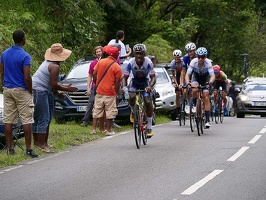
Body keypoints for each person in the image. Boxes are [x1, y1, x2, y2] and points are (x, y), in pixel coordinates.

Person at [32, 43, 78, 153]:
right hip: (39, 90)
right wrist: (67, 89)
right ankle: (41, 144)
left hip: (43, 89)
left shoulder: (48, 63)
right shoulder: (55, 66)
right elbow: (53, 84)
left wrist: (59, 91)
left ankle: (41, 143)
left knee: (43, 116)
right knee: (44, 117)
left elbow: (52, 84)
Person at [0, 30, 38, 157]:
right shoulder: (25, 56)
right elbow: (27, 77)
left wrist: (4, 84)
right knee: (27, 119)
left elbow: (2, 72)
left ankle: (10, 148)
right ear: (23, 39)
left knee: (8, 119)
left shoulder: (4, 54)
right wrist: (30, 91)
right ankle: (28, 149)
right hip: (21, 90)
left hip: (7, 89)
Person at [122, 44, 156, 138]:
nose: (138, 56)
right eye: (136, 54)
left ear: (144, 54)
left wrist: (149, 86)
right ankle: (133, 111)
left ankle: (149, 126)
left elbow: (153, 78)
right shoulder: (131, 62)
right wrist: (124, 87)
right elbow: (125, 77)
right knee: (131, 96)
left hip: (145, 82)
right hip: (135, 82)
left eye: (140, 54)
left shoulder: (148, 62)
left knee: (147, 101)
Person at [91, 45, 122, 136]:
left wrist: (96, 83)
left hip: (100, 91)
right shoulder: (117, 67)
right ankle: (108, 130)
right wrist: (116, 92)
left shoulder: (101, 62)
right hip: (110, 92)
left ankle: (94, 129)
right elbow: (117, 82)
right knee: (110, 111)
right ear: (116, 56)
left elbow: (94, 73)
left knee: (97, 109)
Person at [185, 47, 215, 128]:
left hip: (206, 78)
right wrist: (188, 84)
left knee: (206, 95)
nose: (201, 59)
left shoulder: (208, 63)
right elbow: (187, 75)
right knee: (194, 90)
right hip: (196, 77)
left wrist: (210, 83)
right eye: (199, 57)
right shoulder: (193, 62)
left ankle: (207, 120)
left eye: (203, 57)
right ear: (197, 56)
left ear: (206, 57)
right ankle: (195, 106)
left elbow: (212, 75)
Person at [80, 46, 103, 127]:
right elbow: (90, 76)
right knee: (91, 103)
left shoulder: (105, 62)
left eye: (100, 51)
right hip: (95, 86)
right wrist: (88, 87)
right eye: (97, 52)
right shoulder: (93, 63)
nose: (98, 53)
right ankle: (85, 120)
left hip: (104, 86)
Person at [170, 49, 183, 119]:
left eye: (178, 57)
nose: (177, 59)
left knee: (184, 90)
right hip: (177, 75)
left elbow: (184, 73)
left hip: (184, 73)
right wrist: (176, 83)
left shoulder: (183, 61)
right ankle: (179, 112)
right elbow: (173, 75)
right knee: (177, 94)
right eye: (175, 57)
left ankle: (187, 104)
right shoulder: (172, 63)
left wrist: (182, 83)